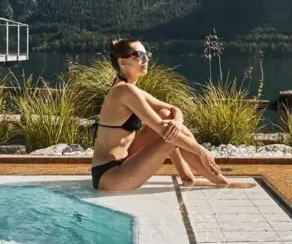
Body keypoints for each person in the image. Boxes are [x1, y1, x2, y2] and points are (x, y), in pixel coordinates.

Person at [91, 38, 230, 192]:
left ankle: (188, 177)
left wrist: (177, 120)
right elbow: (162, 130)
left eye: (146, 54)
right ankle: (221, 182)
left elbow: (172, 108)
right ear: (122, 62)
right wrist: (201, 151)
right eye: (139, 55)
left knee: (167, 117)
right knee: (171, 135)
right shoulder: (125, 91)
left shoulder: (129, 87)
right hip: (110, 175)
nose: (146, 59)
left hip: (123, 162)